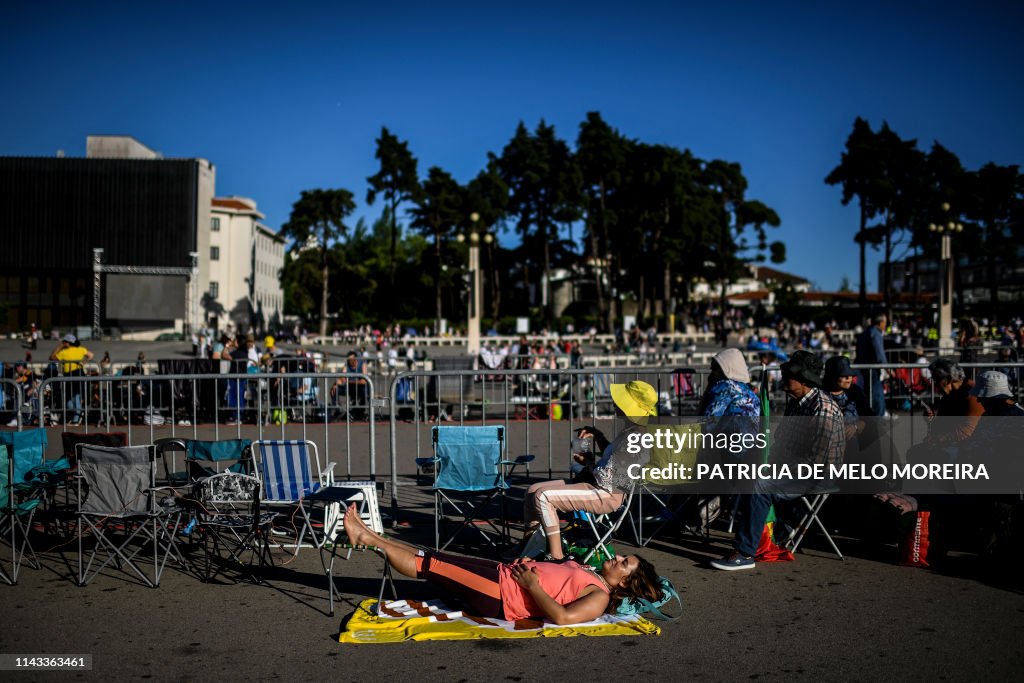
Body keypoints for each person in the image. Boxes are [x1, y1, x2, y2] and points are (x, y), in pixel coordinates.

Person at [340, 504, 662, 625]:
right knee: (430, 555)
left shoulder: (600, 596)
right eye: (624, 557)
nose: (617, 558)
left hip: (501, 595)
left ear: (623, 583)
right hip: (502, 576)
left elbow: (563, 617)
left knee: (429, 565)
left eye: (624, 564)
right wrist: (531, 566)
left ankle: (367, 538)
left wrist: (533, 586)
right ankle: (369, 534)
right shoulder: (593, 573)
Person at [711, 350, 845, 570]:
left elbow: (815, 462)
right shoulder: (796, 401)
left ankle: (745, 552)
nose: (783, 378)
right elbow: (782, 441)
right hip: (796, 467)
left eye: (789, 375)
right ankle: (757, 539)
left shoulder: (823, 410)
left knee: (760, 485)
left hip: (817, 474)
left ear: (803, 381)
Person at [520, 381, 658, 561]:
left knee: (542, 496)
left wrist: (587, 462)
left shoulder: (637, 437)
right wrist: (598, 436)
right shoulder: (632, 431)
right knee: (532, 491)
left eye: (620, 402)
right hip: (597, 486)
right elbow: (614, 457)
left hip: (606, 494)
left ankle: (556, 557)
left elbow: (607, 479)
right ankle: (528, 547)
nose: (615, 403)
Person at [923, 358, 983, 446]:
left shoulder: (973, 393)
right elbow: (940, 425)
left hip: (971, 446)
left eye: (936, 380)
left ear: (949, 379)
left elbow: (967, 432)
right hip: (952, 443)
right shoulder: (948, 396)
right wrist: (930, 420)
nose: (934, 385)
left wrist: (937, 439)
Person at [50, 333, 93, 425]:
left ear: (68, 343)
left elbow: (52, 357)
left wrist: (59, 347)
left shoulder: (63, 352)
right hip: (76, 373)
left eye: (64, 342)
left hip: (72, 374)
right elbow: (91, 355)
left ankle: (76, 418)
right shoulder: (81, 349)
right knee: (70, 398)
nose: (63, 343)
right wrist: (83, 363)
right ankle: (77, 414)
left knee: (75, 396)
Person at [855, 314, 888, 416]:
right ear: (881, 322)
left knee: (868, 392)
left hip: (864, 367)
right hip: (872, 368)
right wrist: (886, 366)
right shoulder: (875, 333)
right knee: (876, 393)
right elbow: (879, 353)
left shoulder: (866, 332)